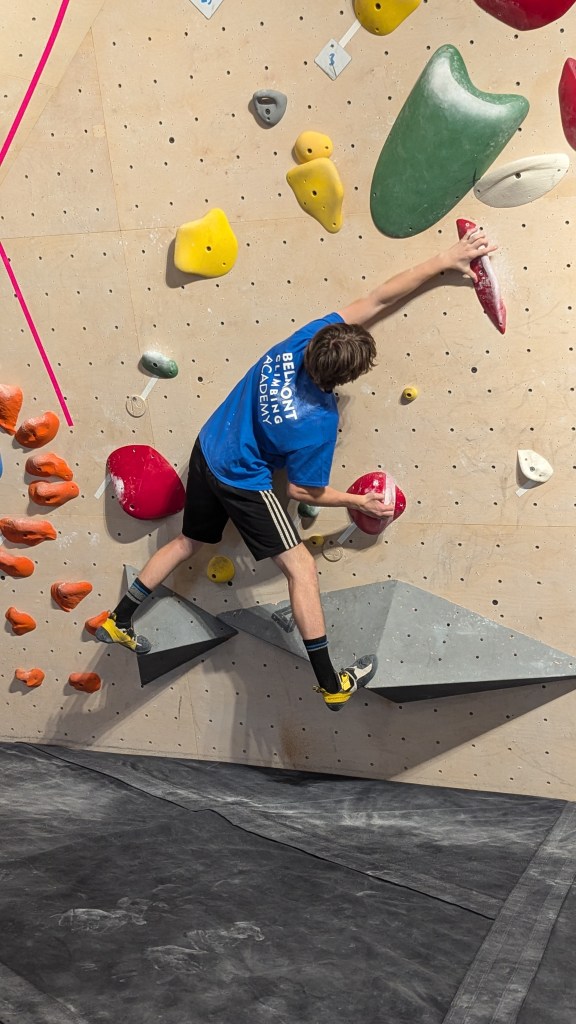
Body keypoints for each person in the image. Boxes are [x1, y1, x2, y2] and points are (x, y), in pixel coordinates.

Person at [96, 229, 495, 710]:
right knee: (302, 568)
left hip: (209, 446)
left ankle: (118, 618)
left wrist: (445, 258)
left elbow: (377, 298)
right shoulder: (318, 423)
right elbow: (304, 492)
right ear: (345, 378)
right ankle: (331, 683)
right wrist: (358, 501)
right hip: (242, 480)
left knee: (187, 542)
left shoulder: (295, 344)